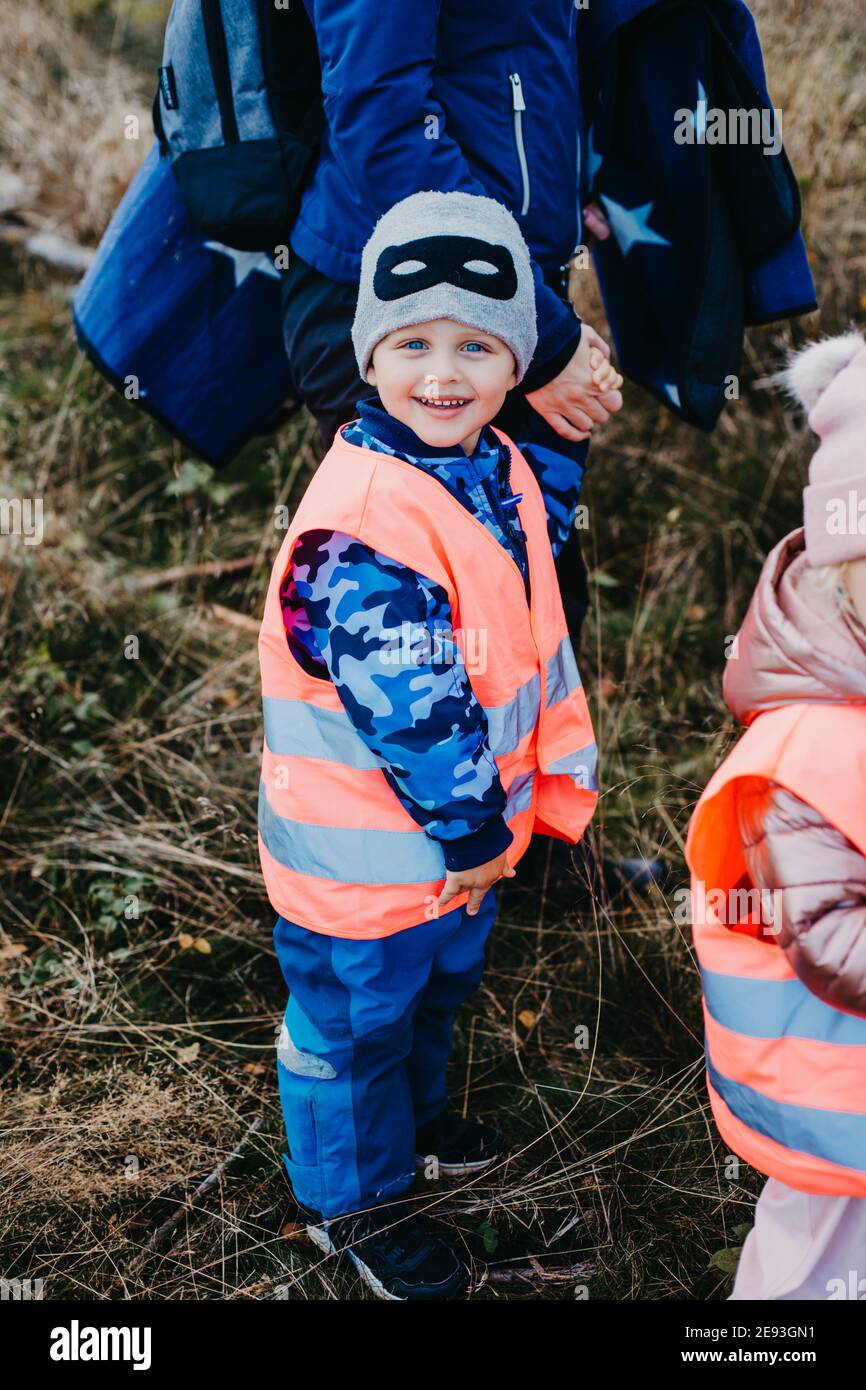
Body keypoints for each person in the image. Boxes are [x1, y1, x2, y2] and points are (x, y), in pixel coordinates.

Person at [258, 191, 609, 1299]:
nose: (441, 372)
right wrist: (472, 833)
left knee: (430, 999)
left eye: (476, 343)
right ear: (368, 356)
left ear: (514, 366)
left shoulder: (491, 463)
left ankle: (412, 1131)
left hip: (459, 855)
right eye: (410, 342)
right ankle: (348, 1208)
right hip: (377, 864)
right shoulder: (363, 523)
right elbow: (415, 711)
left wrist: (488, 835)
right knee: (352, 1031)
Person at [685, 330, 866, 1300]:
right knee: (817, 1267)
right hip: (833, 1089)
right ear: (842, 572)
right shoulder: (803, 752)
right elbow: (829, 935)